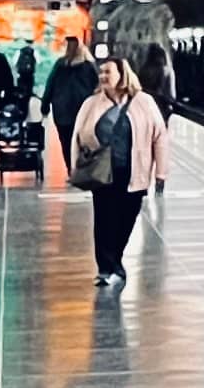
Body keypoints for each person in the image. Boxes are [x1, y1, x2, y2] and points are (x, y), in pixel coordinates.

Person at [64, 53, 168, 289]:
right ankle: (105, 267)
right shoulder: (91, 104)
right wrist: (75, 167)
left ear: (123, 75)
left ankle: (116, 259)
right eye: (101, 72)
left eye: (107, 72)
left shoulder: (144, 102)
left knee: (127, 218)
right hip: (102, 171)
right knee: (103, 218)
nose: (103, 76)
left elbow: (159, 137)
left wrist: (161, 172)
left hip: (134, 171)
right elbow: (77, 137)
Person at [39, 38, 93, 169]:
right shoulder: (88, 67)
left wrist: (44, 106)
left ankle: (71, 168)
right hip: (82, 111)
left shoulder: (60, 65)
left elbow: (50, 86)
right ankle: (80, 168)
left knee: (66, 141)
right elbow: (96, 88)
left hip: (62, 111)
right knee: (82, 141)